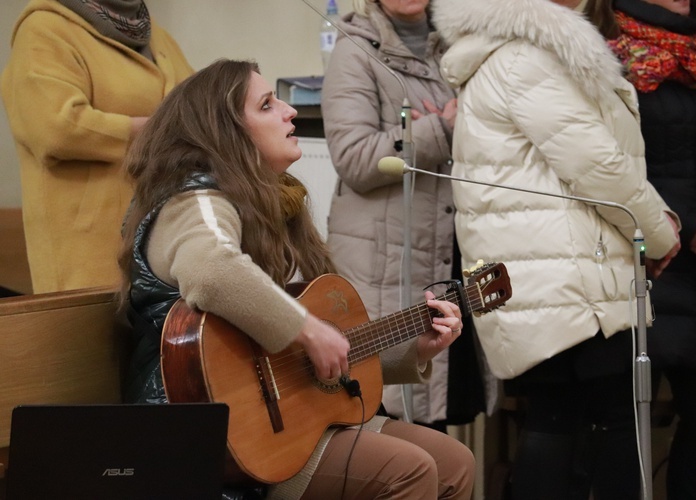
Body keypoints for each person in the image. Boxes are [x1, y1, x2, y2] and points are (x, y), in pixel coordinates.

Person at [117, 58, 475, 500]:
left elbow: (310, 357)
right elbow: (211, 270)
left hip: (290, 419)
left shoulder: (278, 203)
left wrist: (414, 348)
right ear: (224, 131)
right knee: (408, 471)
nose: (289, 112)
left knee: (455, 463)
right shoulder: (194, 200)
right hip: (217, 435)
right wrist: (307, 330)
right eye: (267, 105)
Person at [432, 0, 682, 498]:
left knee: (559, 421)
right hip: (568, 282)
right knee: (599, 426)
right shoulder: (529, 57)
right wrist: (660, 232)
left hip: (547, 277)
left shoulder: (509, 50)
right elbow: (601, 168)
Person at [321, 0, 496, 430]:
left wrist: (421, 132)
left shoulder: (457, 45)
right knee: (388, 421)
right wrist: (441, 128)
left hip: (446, 251)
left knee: (440, 419)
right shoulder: (355, 47)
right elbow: (356, 158)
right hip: (385, 265)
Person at [607, 1, 696, 498]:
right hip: (646, 266)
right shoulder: (612, 56)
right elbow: (615, 167)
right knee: (628, 418)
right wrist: (685, 227)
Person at [1, 0, 193, 293]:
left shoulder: (158, 36)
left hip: (167, 238)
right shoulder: (43, 28)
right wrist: (160, 131)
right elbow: (55, 129)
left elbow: (201, 108)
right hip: (89, 251)